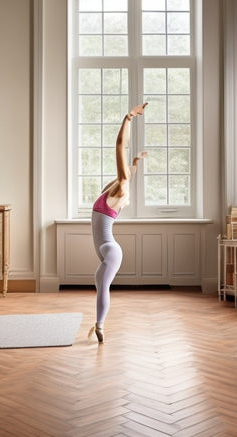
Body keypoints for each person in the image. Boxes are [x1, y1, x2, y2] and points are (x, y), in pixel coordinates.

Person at [89, 103, 147, 343]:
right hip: (106, 250)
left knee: (103, 287)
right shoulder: (114, 191)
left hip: (111, 250)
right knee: (99, 284)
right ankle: (99, 324)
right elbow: (127, 170)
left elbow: (118, 146)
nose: (127, 172)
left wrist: (129, 117)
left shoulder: (120, 189)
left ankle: (100, 326)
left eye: (128, 172)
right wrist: (135, 161)